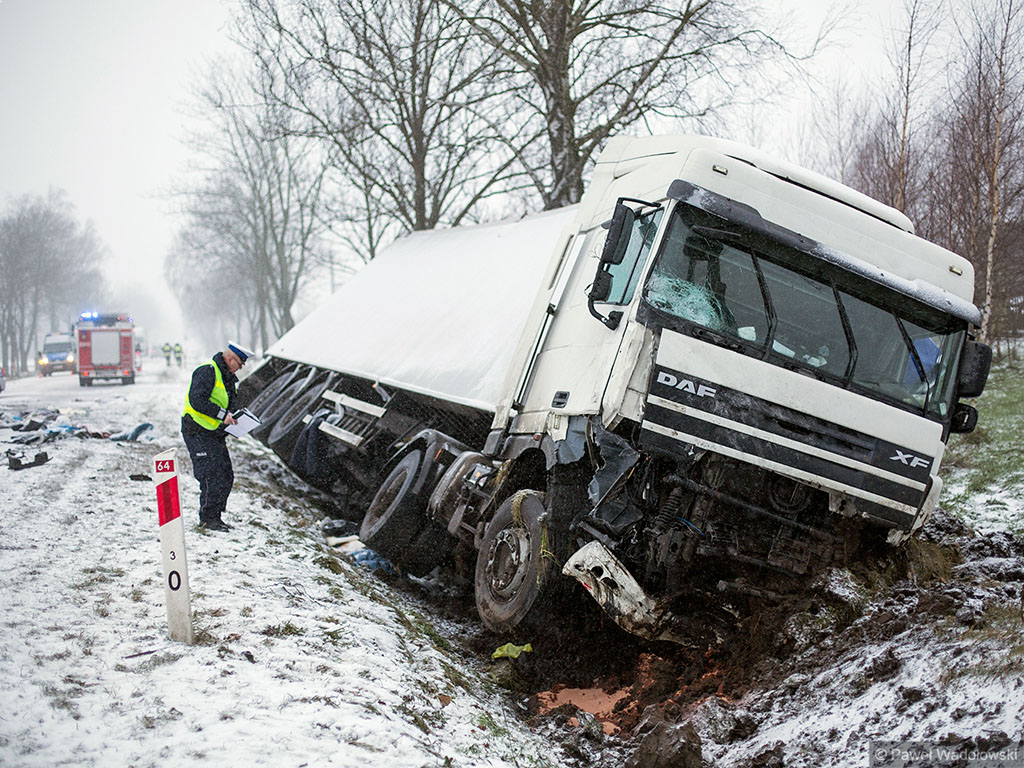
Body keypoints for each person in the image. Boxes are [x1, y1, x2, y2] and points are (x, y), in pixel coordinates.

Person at [180, 341, 255, 531]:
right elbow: (197, 400)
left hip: (214, 433)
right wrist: (223, 415)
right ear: (230, 359)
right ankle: (207, 519)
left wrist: (237, 417)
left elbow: (229, 403)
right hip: (196, 430)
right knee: (210, 475)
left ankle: (216, 515)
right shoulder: (207, 371)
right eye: (240, 363)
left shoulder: (228, 378)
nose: (241, 368)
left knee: (225, 474)